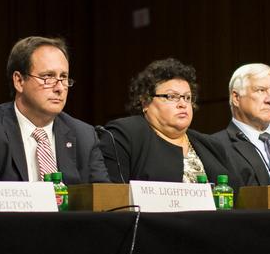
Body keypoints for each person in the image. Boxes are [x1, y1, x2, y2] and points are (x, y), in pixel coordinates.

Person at [0, 36, 108, 183]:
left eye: (64, 77)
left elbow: (104, 202)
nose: (60, 88)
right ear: (19, 81)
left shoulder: (84, 136)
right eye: (48, 77)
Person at [100, 58, 233, 184]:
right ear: (145, 101)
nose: (182, 104)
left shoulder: (211, 145)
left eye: (187, 97)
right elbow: (114, 196)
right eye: (171, 96)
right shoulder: (125, 135)